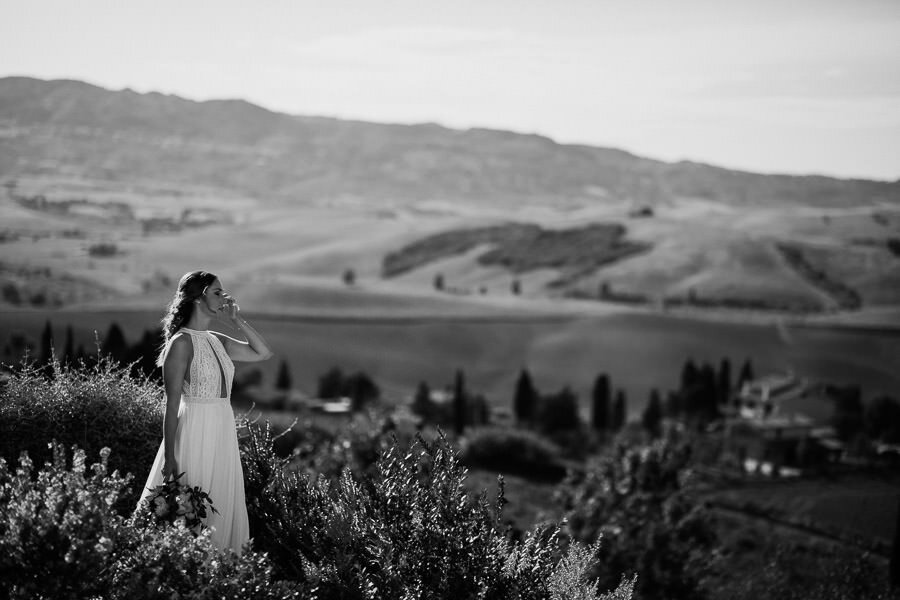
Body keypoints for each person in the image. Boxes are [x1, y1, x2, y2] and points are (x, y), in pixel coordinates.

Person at [136, 270, 273, 554]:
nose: (224, 297)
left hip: (222, 431)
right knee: (191, 509)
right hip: (194, 431)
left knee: (220, 504)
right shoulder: (181, 343)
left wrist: (237, 320)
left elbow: (263, 353)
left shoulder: (217, 339)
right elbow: (172, 405)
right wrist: (171, 457)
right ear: (198, 299)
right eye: (217, 292)